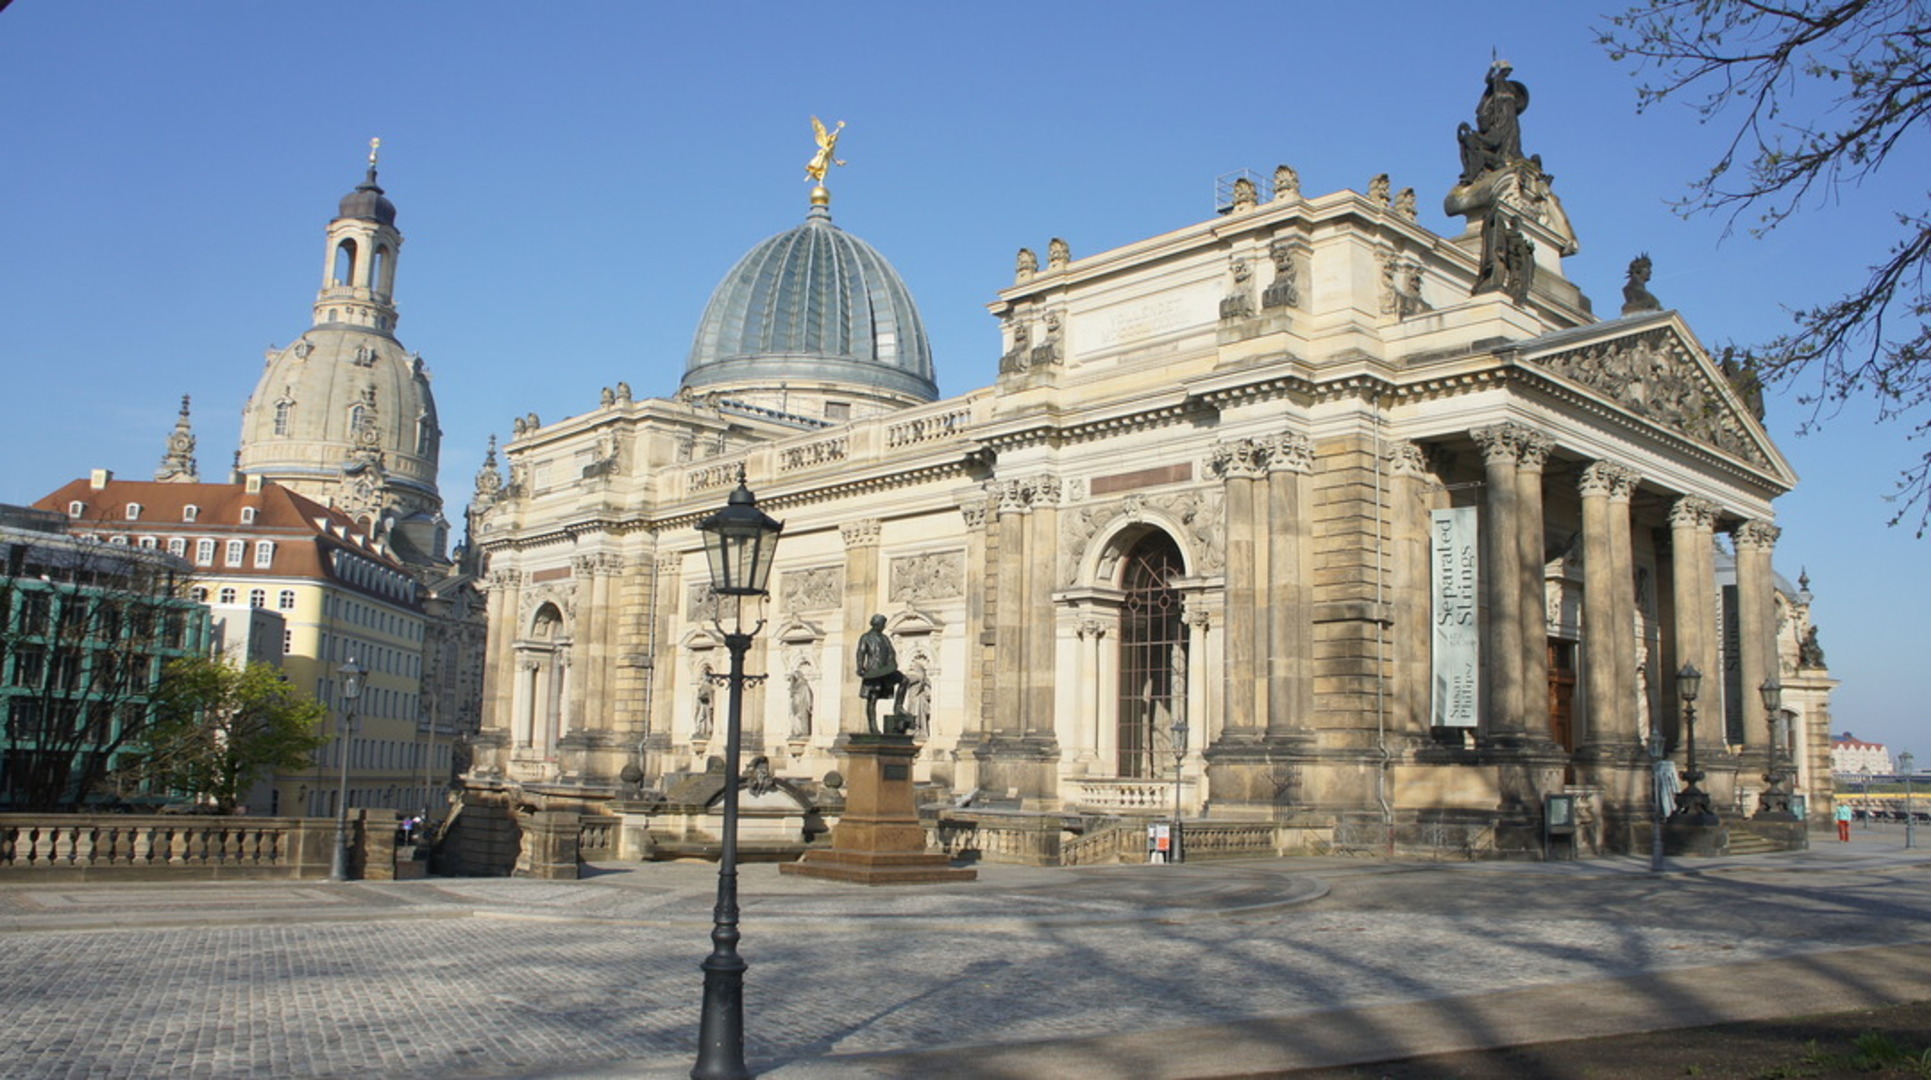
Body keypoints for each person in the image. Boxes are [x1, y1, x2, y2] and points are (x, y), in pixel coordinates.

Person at [854, 614, 905, 733]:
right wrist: (860, 667)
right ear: (877, 624)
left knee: (904, 680)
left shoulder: (885, 638)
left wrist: (892, 664)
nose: (884, 626)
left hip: (886, 670)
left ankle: (898, 707)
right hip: (874, 670)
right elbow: (861, 652)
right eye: (883, 624)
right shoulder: (866, 637)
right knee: (873, 698)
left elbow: (891, 652)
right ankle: (873, 727)